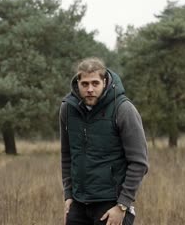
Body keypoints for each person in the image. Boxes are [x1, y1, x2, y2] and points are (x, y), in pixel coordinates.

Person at [60, 57, 149, 225]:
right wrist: (68, 195)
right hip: (79, 204)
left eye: (95, 83)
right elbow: (67, 155)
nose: (90, 89)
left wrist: (122, 205)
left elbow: (139, 163)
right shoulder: (67, 109)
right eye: (85, 84)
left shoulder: (123, 109)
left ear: (105, 81)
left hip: (112, 204)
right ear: (77, 83)